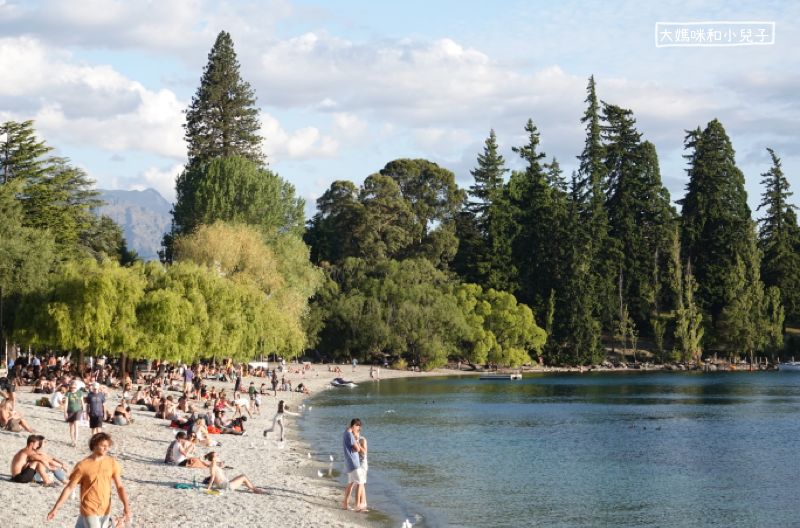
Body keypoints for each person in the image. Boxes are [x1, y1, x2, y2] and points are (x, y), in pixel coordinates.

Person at [47, 432, 131, 527]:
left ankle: (116, 522)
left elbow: (120, 487)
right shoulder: (82, 466)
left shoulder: (112, 462)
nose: (106, 448)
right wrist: (55, 508)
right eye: (103, 446)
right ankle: (117, 523)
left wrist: (126, 508)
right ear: (94, 445)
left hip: (105, 508)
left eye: (107, 446)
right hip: (89, 508)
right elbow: (69, 488)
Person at [342, 418, 365, 510]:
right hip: (354, 462)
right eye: (358, 428)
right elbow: (358, 449)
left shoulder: (345, 432)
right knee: (360, 482)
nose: (358, 430)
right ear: (354, 425)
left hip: (348, 462)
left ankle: (345, 504)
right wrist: (356, 439)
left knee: (351, 483)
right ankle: (357, 505)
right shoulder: (350, 435)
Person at [354, 428, 368, 512]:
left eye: (354, 431)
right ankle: (362, 503)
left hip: (362, 465)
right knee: (361, 484)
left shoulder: (363, 440)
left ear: (358, 431)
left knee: (361, 484)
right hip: (355, 465)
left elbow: (364, 452)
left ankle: (360, 504)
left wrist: (357, 445)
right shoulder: (352, 440)